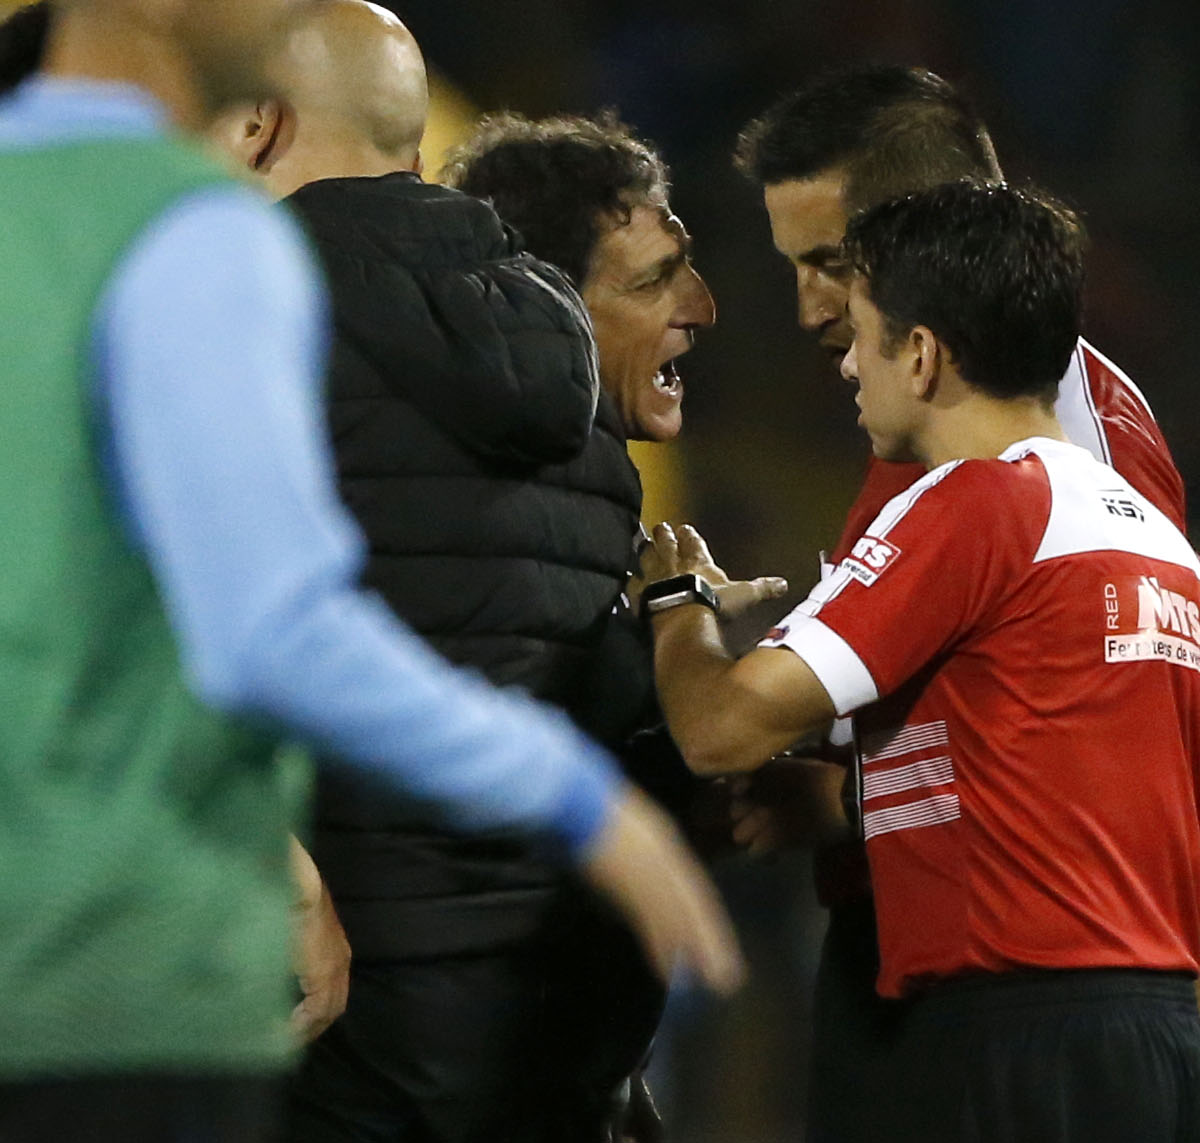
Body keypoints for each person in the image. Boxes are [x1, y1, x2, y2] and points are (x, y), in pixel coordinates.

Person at [0, 2, 739, 1140]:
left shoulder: (185, 256)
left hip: (204, 975)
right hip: (534, 1029)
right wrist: (582, 795)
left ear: (257, 130)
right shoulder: (571, 372)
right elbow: (289, 630)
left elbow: (222, 629)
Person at [210, 7, 759, 1140]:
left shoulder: (234, 325)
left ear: (256, 126)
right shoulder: (576, 386)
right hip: (557, 1049)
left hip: (332, 1034)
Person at [640, 181, 1200, 1143]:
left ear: (920, 354)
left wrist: (678, 605)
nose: (846, 371)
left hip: (997, 1041)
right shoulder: (1174, 554)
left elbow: (720, 728)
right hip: (1154, 1045)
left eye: (862, 338)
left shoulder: (972, 504)